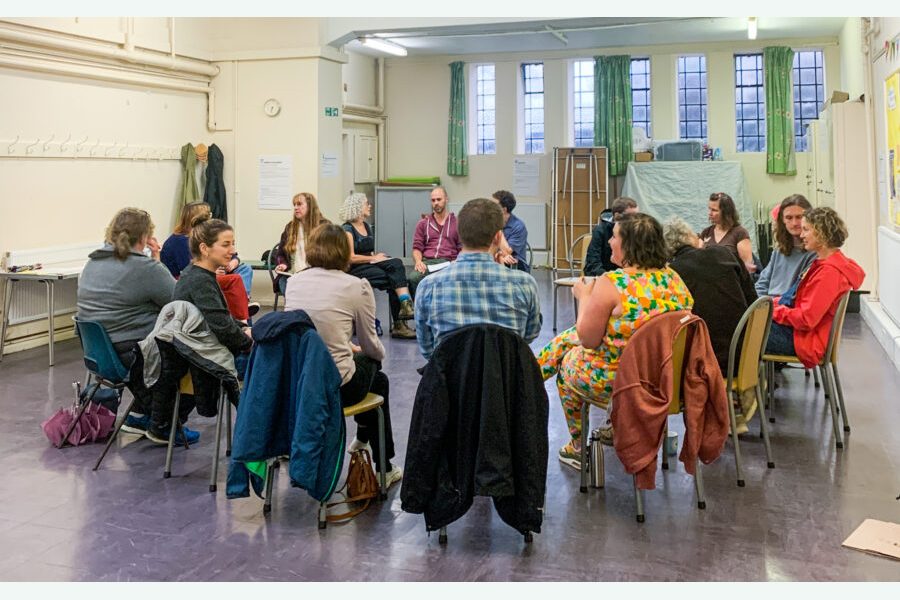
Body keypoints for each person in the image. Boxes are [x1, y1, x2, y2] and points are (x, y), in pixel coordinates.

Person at [537, 213, 693, 468]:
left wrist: (584, 296)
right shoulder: (675, 280)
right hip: (665, 380)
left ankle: (576, 446)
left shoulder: (614, 283)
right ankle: (612, 424)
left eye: (615, 236)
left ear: (629, 245)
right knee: (567, 341)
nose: (609, 241)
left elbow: (588, 338)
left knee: (566, 364)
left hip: (619, 382)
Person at [284, 223, 402, 487]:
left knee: (377, 382)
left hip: (299, 385)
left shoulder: (293, 283)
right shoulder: (356, 286)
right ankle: (383, 467)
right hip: (336, 387)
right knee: (376, 370)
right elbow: (371, 345)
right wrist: (363, 351)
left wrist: (344, 345)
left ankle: (363, 439)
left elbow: (311, 330)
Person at [144, 218, 254, 444]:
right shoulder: (200, 281)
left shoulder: (194, 275)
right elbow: (222, 328)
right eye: (225, 244)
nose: (232, 250)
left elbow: (218, 319)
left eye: (232, 244)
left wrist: (242, 328)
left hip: (190, 357)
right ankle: (259, 431)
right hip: (199, 363)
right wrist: (249, 340)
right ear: (204, 248)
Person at [77, 207, 175, 434]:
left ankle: (142, 412)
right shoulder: (145, 268)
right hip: (131, 354)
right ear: (144, 237)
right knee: (191, 351)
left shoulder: (93, 262)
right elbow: (179, 302)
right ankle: (164, 423)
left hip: (97, 352)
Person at [414, 198, 541, 360]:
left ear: (459, 235)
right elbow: (529, 335)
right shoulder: (525, 284)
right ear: (497, 238)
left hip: (451, 383)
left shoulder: (427, 287)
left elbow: (427, 350)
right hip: (506, 380)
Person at [765, 207, 865, 368]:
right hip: (803, 335)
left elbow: (806, 319)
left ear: (821, 233)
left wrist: (773, 311)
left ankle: (745, 388)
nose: (801, 235)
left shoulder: (828, 273)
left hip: (805, 341)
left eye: (806, 229)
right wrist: (775, 304)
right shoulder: (829, 264)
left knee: (742, 332)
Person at [665, 217, 757, 376]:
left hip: (705, 363)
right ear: (691, 237)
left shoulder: (672, 273)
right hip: (746, 353)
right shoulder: (724, 253)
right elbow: (753, 299)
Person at [160, 202, 258, 320]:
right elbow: (189, 267)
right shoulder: (181, 241)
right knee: (234, 279)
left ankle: (243, 304)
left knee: (245, 268)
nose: (210, 216)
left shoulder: (198, 238)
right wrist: (215, 272)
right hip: (182, 278)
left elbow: (232, 256)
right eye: (208, 214)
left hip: (212, 271)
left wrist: (234, 262)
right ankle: (243, 309)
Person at [340, 192, 416, 339]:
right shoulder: (347, 229)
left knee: (395, 264)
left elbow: (369, 252)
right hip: (355, 269)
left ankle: (405, 309)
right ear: (357, 207)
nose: (369, 206)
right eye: (366, 204)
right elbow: (350, 257)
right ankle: (401, 320)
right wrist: (373, 258)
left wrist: (376, 257)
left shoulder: (367, 226)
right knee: (395, 278)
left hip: (369, 263)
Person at [756, 194, 816, 297]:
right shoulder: (778, 251)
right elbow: (762, 284)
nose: (794, 223)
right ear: (783, 220)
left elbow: (799, 294)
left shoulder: (814, 254)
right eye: (789, 218)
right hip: (768, 306)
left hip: (787, 308)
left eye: (799, 217)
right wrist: (761, 306)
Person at [407, 186, 461, 295]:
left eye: (439, 199)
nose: (436, 203)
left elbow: (462, 248)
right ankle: (419, 309)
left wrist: (457, 261)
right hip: (428, 262)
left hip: (449, 262)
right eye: (433, 200)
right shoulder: (423, 223)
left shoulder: (457, 223)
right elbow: (417, 248)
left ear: (446, 199)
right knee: (413, 278)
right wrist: (418, 261)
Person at [273, 192, 328, 296]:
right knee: (287, 285)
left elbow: (330, 255)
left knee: (310, 290)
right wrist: (283, 264)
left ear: (310, 206)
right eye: (294, 205)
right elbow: (280, 253)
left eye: (299, 204)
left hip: (317, 275)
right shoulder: (290, 228)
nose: (295, 208)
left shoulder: (324, 226)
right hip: (291, 274)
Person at [699, 192, 756, 274]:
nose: (710, 213)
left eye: (714, 210)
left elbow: (748, 269)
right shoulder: (706, 233)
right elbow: (698, 261)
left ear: (726, 212)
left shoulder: (740, 233)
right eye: (709, 209)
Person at [583, 196, 639, 276]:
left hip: (630, 277)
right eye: (631, 216)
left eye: (638, 216)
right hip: (605, 276)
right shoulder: (600, 230)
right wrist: (610, 277)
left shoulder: (638, 231)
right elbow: (592, 264)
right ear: (617, 216)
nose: (636, 220)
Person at [492, 190, 530, 272]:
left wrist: (497, 228)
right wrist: (499, 255)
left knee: (505, 259)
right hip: (497, 259)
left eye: (493, 206)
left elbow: (507, 251)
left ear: (504, 210)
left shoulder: (518, 226)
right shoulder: (489, 222)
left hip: (516, 265)